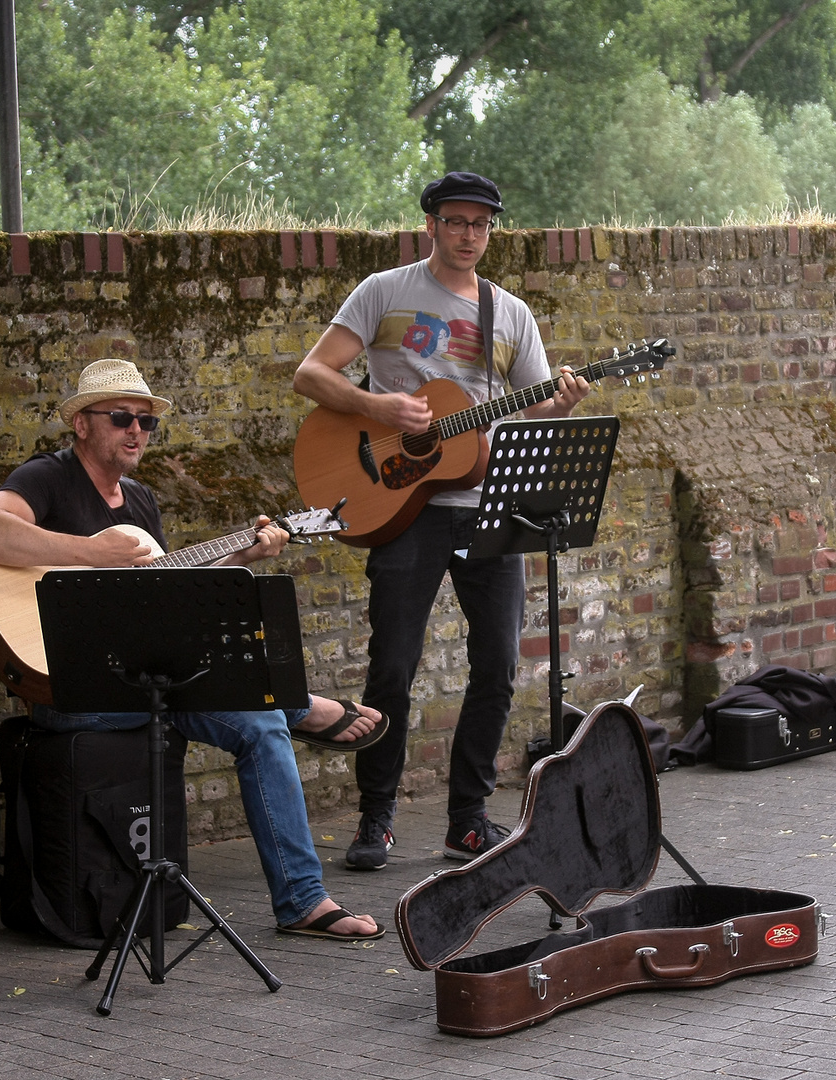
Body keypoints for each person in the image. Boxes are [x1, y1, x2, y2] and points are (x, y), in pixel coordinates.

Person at [0, 358, 386, 940]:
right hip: (71, 689)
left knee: (260, 725)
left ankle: (303, 902)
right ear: (82, 425)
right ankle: (302, 706)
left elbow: (164, 601)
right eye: (120, 417)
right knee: (267, 705)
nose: (136, 430)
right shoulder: (49, 477)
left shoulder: (139, 503)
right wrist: (92, 555)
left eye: (146, 421)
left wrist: (242, 558)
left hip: (141, 682)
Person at [292, 171, 591, 869]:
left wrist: (566, 400)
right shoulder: (384, 292)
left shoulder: (509, 314)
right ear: (429, 223)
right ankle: (377, 819)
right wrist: (378, 410)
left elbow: (533, 407)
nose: (468, 236)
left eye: (481, 225)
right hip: (403, 505)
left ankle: (467, 818)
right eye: (456, 222)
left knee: (498, 666)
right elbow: (312, 374)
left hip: (489, 508)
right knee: (391, 667)